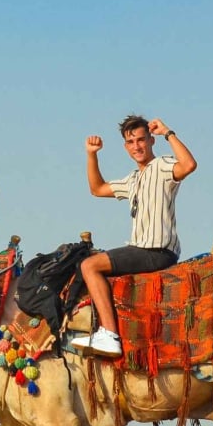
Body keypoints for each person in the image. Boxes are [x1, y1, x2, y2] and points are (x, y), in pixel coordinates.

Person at [69, 115, 197, 356]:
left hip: (156, 251)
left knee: (89, 266)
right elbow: (97, 189)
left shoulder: (163, 166)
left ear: (151, 141)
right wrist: (92, 154)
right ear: (125, 147)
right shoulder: (133, 179)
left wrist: (167, 132)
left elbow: (189, 165)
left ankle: (109, 334)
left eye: (141, 140)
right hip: (140, 249)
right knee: (87, 261)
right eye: (131, 142)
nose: (136, 146)